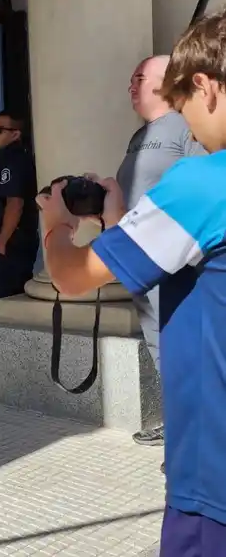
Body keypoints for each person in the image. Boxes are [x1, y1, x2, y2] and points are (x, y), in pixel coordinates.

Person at [38, 10, 226, 554]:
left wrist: (55, 227)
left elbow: (73, 277)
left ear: (205, 86)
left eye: (185, 110)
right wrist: (122, 220)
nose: (186, 128)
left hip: (211, 469)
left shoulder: (202, 183)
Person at [116, 55, 207, 450]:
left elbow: (200, 194)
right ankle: (178, 425)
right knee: (159, 345)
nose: (131, 85)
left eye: (140, 77)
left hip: (180, 266)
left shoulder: (188, 127)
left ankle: (197, 432)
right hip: (143, 261)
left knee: (186, 347)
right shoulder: (140, 135)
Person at [0, 110, 39, 313]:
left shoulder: (14, 161)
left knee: (7, 299)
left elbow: (15, 203)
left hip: (13, 242)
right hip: (4, 239)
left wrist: (2, 243)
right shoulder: (2, 160)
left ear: (15, 134)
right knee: (2, 297)